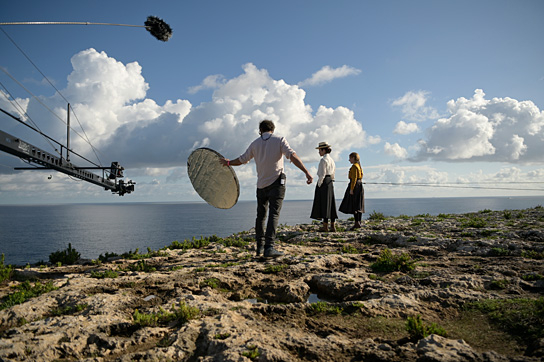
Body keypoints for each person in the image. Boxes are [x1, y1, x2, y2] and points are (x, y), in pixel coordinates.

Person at [220, 120, 313, 258]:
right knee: (273, 214)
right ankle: (269, 247)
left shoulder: (255, 143)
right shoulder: (279, 139)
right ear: (272, 129)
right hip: (277, 183)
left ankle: (259, 247)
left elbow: (242, 160)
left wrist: (228, 163)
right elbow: (292, 156)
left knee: (260, 216)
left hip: (261, 184)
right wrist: (306, 171)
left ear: (260, 130)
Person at [310, 142, 338, 232]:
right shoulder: (332, 160)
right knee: (331, 203)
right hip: (330, 181)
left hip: (324, 181)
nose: (319, 152)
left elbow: (322, 174)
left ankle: (325, 226)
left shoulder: (323, 160)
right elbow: (333, 173)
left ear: (323, 150)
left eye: (320, 150)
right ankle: (333, 226)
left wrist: (319, 184)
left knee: (324, 203)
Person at [339, 152, 365, 230]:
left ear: (353, 158)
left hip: (355, 185)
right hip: (360, 185)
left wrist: (351, 189)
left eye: (350, 158)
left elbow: (354, 179)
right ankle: (359, 222)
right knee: (359, 204)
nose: (349, 160)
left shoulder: (354, 167)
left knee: (354, 205)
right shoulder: (359, 166)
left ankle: (356, 223)